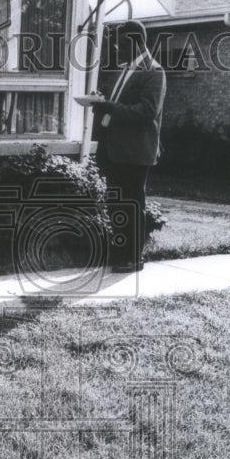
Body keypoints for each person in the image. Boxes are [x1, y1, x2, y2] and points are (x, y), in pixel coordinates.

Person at [92, 20, 166, 272]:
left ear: (136, 42)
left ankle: (134, 258)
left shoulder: (153, 71)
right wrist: (102, 102)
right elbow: (121, 105)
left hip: (135, 152)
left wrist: (109, 107)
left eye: (121, 43)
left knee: (131, 206)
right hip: (115, 150)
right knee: (116, 204)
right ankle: (120, 254)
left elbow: (147, 111)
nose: (117, 48)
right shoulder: (126, 70)